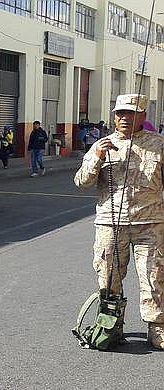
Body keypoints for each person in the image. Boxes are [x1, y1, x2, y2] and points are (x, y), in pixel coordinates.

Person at [74, 94, 164, 350]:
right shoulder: (102, 145)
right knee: (108, 276)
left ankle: (157, 328)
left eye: (130, 113)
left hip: (151, 222)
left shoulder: (158, 145)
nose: (124, 118)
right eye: (120, 113)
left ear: (143, 117)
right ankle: (111, 326)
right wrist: (97, 158)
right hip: (110, 224)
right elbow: (81, 182)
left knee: (154, 276)